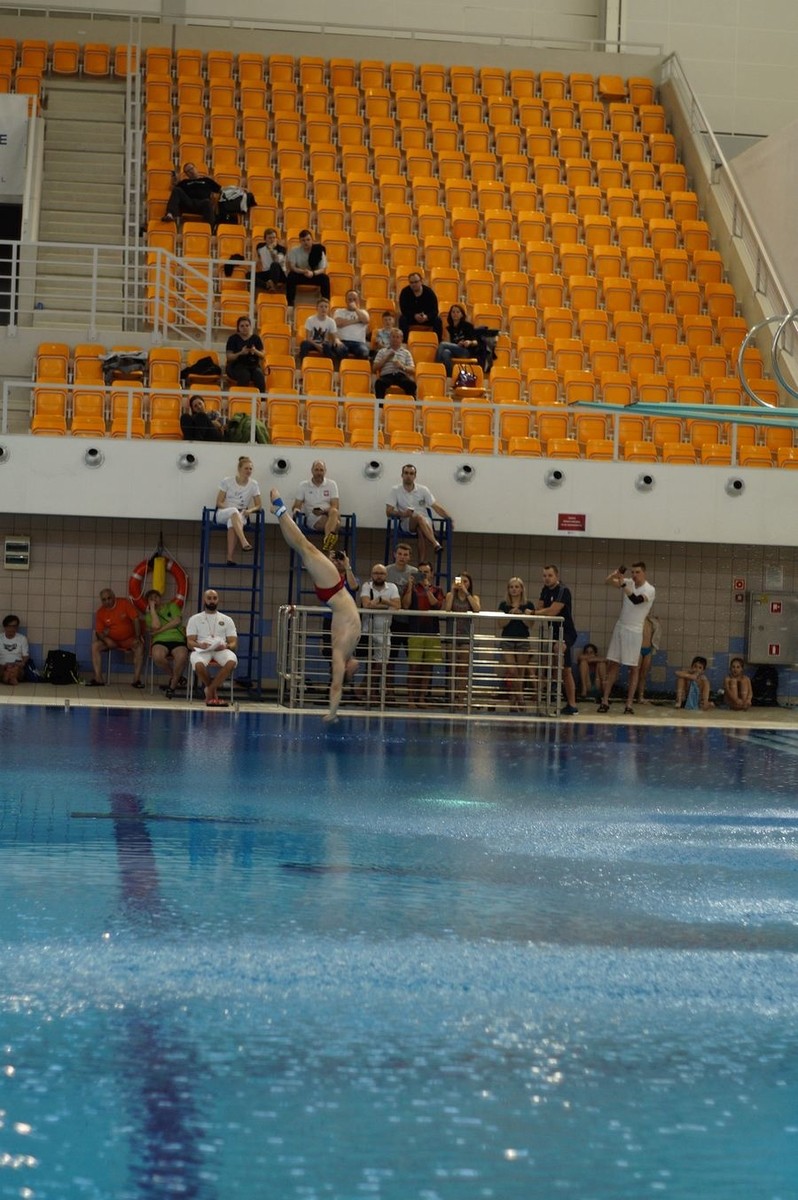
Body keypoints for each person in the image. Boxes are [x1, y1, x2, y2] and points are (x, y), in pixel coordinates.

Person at [271, 490, 361, 721]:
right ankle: (280, 514)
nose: (358, 669)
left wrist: (332, 713)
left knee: (305, 546)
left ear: (346, 670)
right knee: (302, 548)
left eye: (354, 673)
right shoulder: (352, 646)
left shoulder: (340, 653)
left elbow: (336, 686)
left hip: (332, 588)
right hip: (334, 588)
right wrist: (346, 566)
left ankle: (281, 511)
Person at [597, 562, 656, 715]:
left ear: (644, 573)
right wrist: (614, 575)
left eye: (637, 572)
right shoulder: (628, 582)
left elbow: (636, 600)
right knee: (613, 664)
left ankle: (629, 704)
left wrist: (623, 584)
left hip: (635, 630)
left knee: (634, 668)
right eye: (633, 572)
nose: (634, 575)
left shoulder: (649, 589)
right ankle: (605, 700)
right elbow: (607, 582)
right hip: (621, 627)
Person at [386, 462, 452, 566]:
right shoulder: (395, 490)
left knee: (421, 529)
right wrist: (403, 514)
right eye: (406, 473)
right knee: (419, 517)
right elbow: (388, 512)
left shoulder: (423, 490)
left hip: (425, 522)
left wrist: (449, 519)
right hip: (407, 522)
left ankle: (421, 564)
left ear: (415, 476)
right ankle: (435, 543)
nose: (408, 476)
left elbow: (435, 506)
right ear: (402, 475)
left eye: (411, 473)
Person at [536, 564, 579, 716]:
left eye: (550, 575)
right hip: (554, 633)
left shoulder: (563, 590)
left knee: (563, 665)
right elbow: (540, 608)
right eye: (544, 576)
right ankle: (570, 703)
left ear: (557, 576)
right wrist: (539, 611)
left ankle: (567, 700)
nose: (547, 579)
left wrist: (536, 612)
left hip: (566, 632)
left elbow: (553, 611)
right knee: (564, 669)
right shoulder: (545, 590)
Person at [186, 589, 238, 707]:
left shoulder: (227, 619)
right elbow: (190, 642)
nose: (212, 601)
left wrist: (226, 646)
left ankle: (210, 690)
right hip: (202, 649)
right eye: (209, 598)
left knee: (231, 661)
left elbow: (233, 643)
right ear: (204, 600)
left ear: (218, 600)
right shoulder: (195, 619)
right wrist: (200, 645)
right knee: (198, 664)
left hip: (221, 649)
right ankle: (212, 690)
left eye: (214, 598)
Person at [404, 560, 444, 708]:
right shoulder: (412, 588)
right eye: (420, 572)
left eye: (426, 572)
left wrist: (427, 589)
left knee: (428, 667)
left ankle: (421, 697)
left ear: (432, 574)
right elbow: (406, 605)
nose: (423, 575)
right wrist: (409, 586)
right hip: (415, 631)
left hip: (432, 632)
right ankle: (410, 698)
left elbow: (436, 604)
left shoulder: (437, 589)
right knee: (414, 667)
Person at [360, 563, 401, 704]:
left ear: (386, 575)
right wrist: (387, 605)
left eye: (381, 573)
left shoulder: (392, 587)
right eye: (376, 573)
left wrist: (380, 601)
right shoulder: (367, 586)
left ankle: (362, 687)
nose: (379, 576)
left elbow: (397, 606)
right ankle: (370, 693)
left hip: (384, 631)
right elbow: (366, 604)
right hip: (367, 630)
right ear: (372, 575)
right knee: (371, 663)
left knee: (382, 662)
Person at [90, 588, 145, 688]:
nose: (107, 601)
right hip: (112, 641)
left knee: (139, 646)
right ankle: (98, 678)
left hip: (129, 639)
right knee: (95, 646)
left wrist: (138, 636)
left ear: (114, 597)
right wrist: (105, 639)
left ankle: (136, 680)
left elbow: (135, 619)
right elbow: (99, 632)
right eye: (104, 600)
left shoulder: (124, 603)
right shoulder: (100, 612)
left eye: (109, 598)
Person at [497, 577, 537, 712]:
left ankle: (513, 701)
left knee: (520, 672)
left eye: (516, 587)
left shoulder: (528, 605)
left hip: (522, 641)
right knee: (512, 671)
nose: (514, 589)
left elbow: (531, 624)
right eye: (511, 587)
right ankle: (520, 698)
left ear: (521, 589)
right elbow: (500, 624)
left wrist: (522, 615)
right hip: (507, 640)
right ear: (508, 590)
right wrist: (510, 615)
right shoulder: (504, 605)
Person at [214, 456, 262, 564]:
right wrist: (231, 509)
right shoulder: (227, 481)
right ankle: (244, 541)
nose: (248, 471)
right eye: (246, 468)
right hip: (224, 512)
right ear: (239, 469)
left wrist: (250, 511)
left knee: (232, 522)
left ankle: (229, 558)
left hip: (241, 514)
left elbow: (259, 505)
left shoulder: (254, 484)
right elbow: (219, 503)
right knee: (233, 511)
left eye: (250, 469)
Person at [144, 588, 188, 700]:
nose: (154, 600)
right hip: (160, 640)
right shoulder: (149, 615)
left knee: (182, 656)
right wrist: (152, 609)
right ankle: (176, 677)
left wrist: (159, 631)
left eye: (156, 597)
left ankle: (172, 686)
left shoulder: (171, 606)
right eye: (151, 599)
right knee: (157, 656)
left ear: (160, 598)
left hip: (177, 639)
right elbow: (156, 626)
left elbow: (177, 621)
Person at [386, 542, 418, 696]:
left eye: (405, 555)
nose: (402, 557)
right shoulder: (386, 571)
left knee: (413, 660)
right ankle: (389, 692)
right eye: (399, 554)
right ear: (394, 555)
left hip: (410, 622)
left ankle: (411, 695)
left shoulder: (415, 572)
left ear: (409, 557)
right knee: (390, 658)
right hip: (392, 621)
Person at [444, 572, 481, 704]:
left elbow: (477, 609)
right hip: (452, 636)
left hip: (465, 637)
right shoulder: (450, 595)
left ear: (470, 584)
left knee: (463, 668)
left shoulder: (474, 597)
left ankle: (461, 696)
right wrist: (453, 591)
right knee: (452, 667)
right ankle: (452, 697)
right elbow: (447, 610)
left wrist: (466, 593)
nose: (462, 584)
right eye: (460, 581)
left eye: (466, 581)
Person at [292, 460, 341, 549]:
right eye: (316, 470)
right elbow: (296, 505)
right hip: (313, 516)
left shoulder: (332, 484)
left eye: (321, 470)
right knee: (336, 524)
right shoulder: (303, 485)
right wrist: (296, 511)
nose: (319, 473)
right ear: (312, 471)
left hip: (329, 513)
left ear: (325, 471)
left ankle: (327, 541)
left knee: (334, 511)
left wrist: (323, 511)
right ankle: (328, 544)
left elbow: (335, 505)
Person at [163, 162, 221, 228]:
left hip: (202, 204)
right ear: (186, 174)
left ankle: (210, 229)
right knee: (177, 190)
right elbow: (173, 191)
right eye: (188, 171)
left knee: (207, 202)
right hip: (189, 203)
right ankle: (170, 214)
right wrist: (174, 181)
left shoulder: (207, 180)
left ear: (195, 168)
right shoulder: (184, 182)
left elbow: (220, 189)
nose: (191, 171)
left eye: (191, 168)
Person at [285, 229, 330, 308]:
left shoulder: (319, 250)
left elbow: (323, 269)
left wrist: (313, 273)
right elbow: (293, 267)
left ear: (312, 240)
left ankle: (325, 303)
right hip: (301, 274)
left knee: (325, 278)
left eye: (308, 240)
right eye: (303, 240)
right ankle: (290, 304)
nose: (306, 242)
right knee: (291, 276)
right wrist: (303, 271)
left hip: (314, 274)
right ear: (300, 241)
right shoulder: (294, 251)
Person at [435, 304, 483, 376]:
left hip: (466, 351)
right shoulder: (449, 328)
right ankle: (451, 376)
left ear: (462, 315)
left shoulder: (468, 326)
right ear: (450, 314)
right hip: (454, 350)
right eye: (453, 312)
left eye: (458, 312)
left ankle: (437, 369)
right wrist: (457, 344)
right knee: (446, 352)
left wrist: (469, 342)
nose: (455, 314)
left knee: (442, 344)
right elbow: (449, 343)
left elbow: (477, 341)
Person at [398, 270, 443, 342]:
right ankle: (404, 343)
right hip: (411, 318)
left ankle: (437, 342)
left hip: (426, 319)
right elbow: (403, 309)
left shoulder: (429, 292)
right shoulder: (405, 292)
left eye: (416, 282)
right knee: (402, 319)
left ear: (421, 281)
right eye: (411, 282)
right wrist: (414, 316)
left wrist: (427, 317)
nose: (414, 284)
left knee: (438, 320)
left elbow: (435, 311)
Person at [373, 327, 417, 398]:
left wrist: (402, 366)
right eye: (393, 337)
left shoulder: (406, 353)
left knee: (411, 384)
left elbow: (412, 370)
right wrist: (386, 358)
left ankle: (410, 404)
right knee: (379, 383)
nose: (395, 339)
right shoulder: (382, 351)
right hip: (386, 375)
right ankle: (380, 405)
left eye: (397, 337)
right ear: (389, 338)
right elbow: (374, 368)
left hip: (401, 375)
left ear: (401, 339)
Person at [225, 316, 266, 391]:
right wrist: (241, 353)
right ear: (238, 327)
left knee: (259, 375)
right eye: (242, 326)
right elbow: (229, 357)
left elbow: (263, 355)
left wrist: (255, 351)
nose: (245, 328)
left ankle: (261, 397)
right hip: (236, 366)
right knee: (244, 374)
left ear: (250, 327)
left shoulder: (256, 338)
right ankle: (241, 397)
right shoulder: (233, 338)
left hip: (253, 365)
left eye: (247, 325)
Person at [297, 298, 344, 365]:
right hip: (312, 343)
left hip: (324, 343)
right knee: (304, 344)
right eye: (321, 306)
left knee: (328, 346)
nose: (323, 309)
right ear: (317, 308)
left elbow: (334, 336)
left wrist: (337, 341)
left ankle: (330, 365)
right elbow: (308, 338)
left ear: (328, 309)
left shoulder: (331, 321)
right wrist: (317, 345)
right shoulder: (310, 319)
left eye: (326, 307)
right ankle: (303, 364)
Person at [333, 290, 371, 359]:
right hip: (342, 341)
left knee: (364, 352)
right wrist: (358, 320)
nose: (352, 302)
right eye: (350, 299)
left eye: (354, 299)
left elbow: (365, 320)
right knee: (340, 350)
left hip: (359, 342)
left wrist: (355, 308)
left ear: (358, 300)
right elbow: (338, 323)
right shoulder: (339, 311)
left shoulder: (363, 312)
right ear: (346, 300)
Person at [635, 614, 662, 703]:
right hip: (638, 649)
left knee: (643, 675)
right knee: (635, 673)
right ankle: (631, 695)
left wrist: (658, 622)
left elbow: (657, 633)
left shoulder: (652, 621)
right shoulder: (638, 620)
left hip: (648, 650)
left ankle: (640, 696)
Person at [1, 614, 30, 686]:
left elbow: (25, 656)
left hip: (16, 665)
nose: (12, 629)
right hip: (2, 665)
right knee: (5, 669)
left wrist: (22, 663)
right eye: (9, 626)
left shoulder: (22, 638)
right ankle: (11, 678)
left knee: (15, 669)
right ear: (5, 627)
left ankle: (7, 678)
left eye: (14, 626)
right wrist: (4, 665)